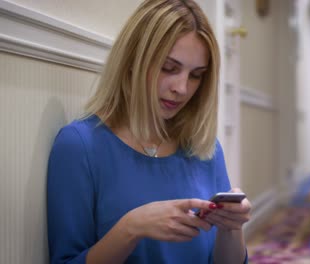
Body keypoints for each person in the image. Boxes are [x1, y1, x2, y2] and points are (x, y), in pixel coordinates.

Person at [46, 0, 251, 263]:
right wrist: (131, 228)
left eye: (196, 75)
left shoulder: (205, 149)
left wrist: (231, 227)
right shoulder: (79, 147)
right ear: (133, 61)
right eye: (169, 68)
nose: (182, 88)